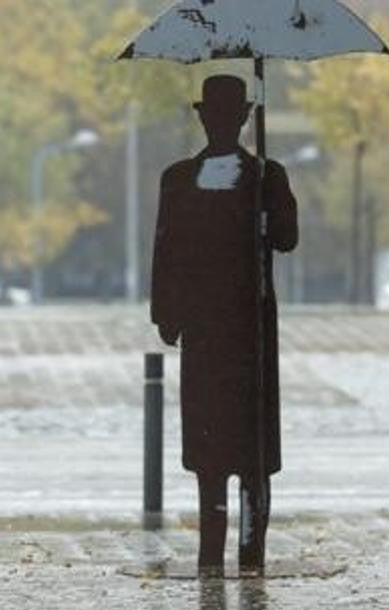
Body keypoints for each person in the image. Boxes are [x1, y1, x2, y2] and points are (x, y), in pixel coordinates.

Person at [151, 75, 298, 575]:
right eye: (212, 112)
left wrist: (267, 206)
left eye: (229, 113)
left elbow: (286, 238)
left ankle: (252, 556)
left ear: (241, 118)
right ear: (203, 117)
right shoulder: (178, 178)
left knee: (255, 458)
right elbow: (165, 250)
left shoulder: (267, 176)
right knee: (209, 456)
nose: (220, 120)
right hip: (205, 332)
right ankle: (210, 555)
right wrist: (166, 314)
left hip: (252, 332)